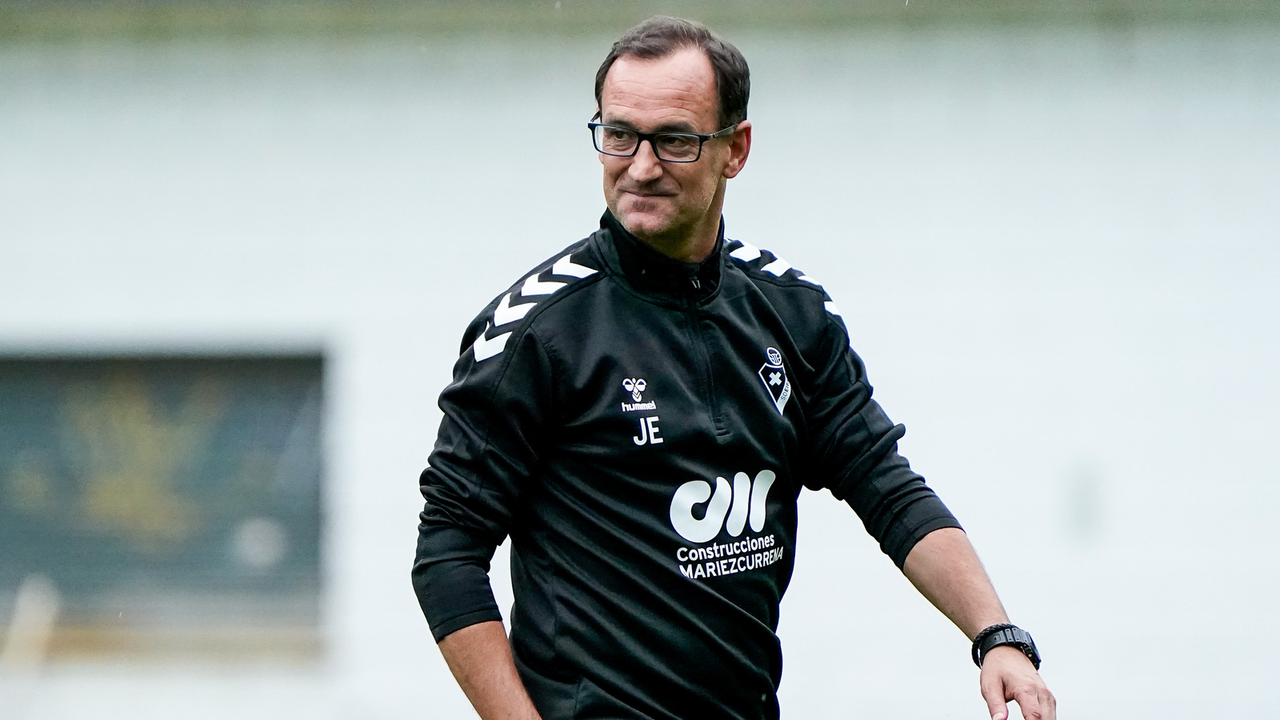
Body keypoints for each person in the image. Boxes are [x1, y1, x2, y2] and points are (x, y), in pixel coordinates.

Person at [413, 15, 1056, 720]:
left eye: (675, 140)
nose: (641, 167)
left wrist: (996, 635)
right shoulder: (536, 333)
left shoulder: (792, 312)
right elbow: (447, 552)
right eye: (619, 135)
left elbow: (886, 486)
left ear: (736, 149)